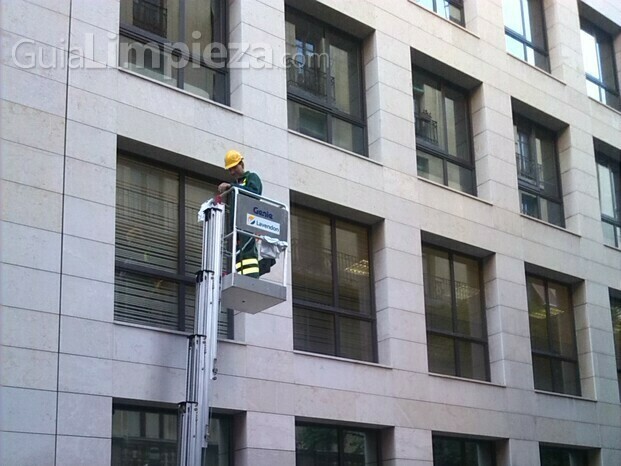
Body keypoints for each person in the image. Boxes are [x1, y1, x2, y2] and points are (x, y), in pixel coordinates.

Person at [218, 149, 262, 277]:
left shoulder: (252, 177)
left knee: (248, 253)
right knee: (237, 254)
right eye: (229, 169)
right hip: (236, 227)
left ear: (241, 164)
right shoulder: (236, 185)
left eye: (234, 167)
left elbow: (254, 193)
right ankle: (238, 276)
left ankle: (250, 279)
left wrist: (230, 187)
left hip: (248, 222)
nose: (232, 172)